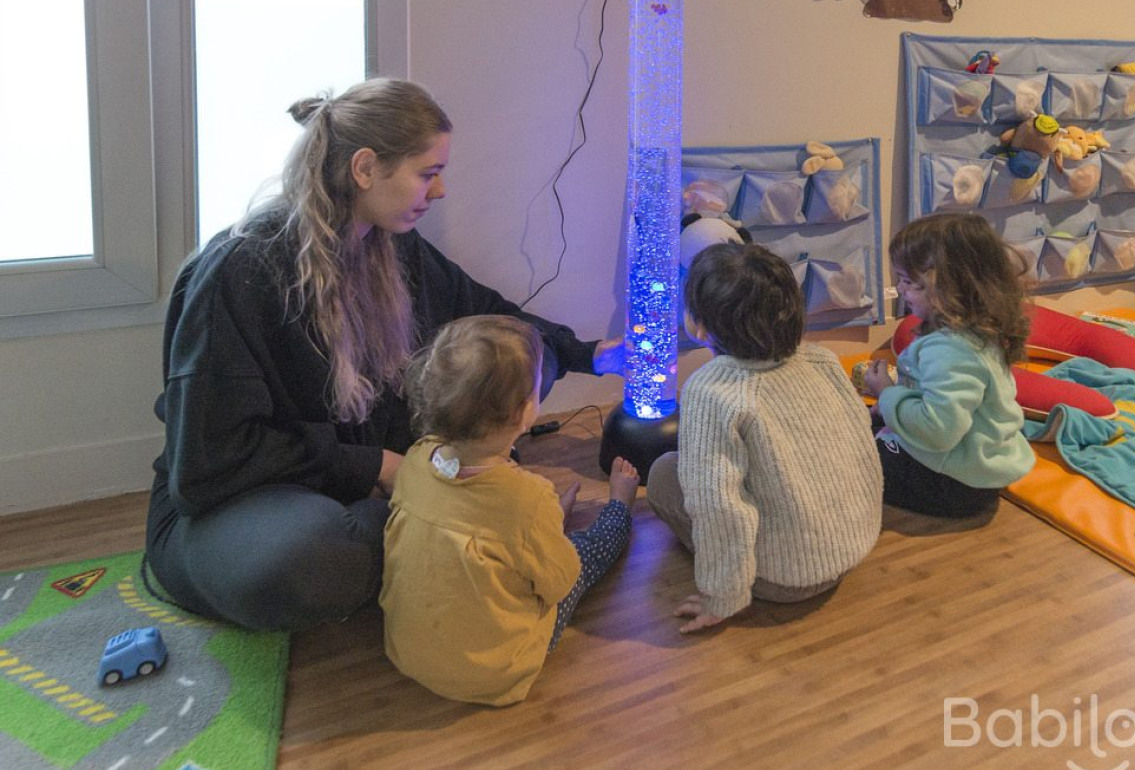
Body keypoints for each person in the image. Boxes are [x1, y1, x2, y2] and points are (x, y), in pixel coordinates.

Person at [145, 78, 621, 632]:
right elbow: (212, 460)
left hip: (359, 490)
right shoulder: (240, 270)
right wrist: (380, 467)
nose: (438, 192)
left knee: (483, 471)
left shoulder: (392, 246)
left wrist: (591, 355)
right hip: (243, 507)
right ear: (365, 168)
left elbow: (486, 319)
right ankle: (466, 534)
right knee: (307, 560)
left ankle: (447, 531)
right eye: (428, 173)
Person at [380, 315, 639, 706]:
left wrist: (541, 520)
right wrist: (550, 527)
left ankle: (546, 531)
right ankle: (620, 506)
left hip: (408, 652)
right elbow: (560, 581)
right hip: (495, 670)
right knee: (583, 555)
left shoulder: (416, 459)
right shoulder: (527, 499)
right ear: (524, 412)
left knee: (529, 535)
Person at [646, 242, 883, 634]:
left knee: (663, 475)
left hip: (783, 579)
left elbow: (718, 506)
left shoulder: (711, 391)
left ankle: (739, 583)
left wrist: (722, 597)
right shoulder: (822, 359)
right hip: (852, 548)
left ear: (700, 325)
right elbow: (860, 449)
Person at [861, 212, 1036, 517]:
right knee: (862, 422)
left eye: (907, 282)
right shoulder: (975, 331)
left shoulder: (952, 350)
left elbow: (938, 431)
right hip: (973, 470)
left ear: (946, 288)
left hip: (952, 484)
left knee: (848, 453)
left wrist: (886, 394)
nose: (901, 290)